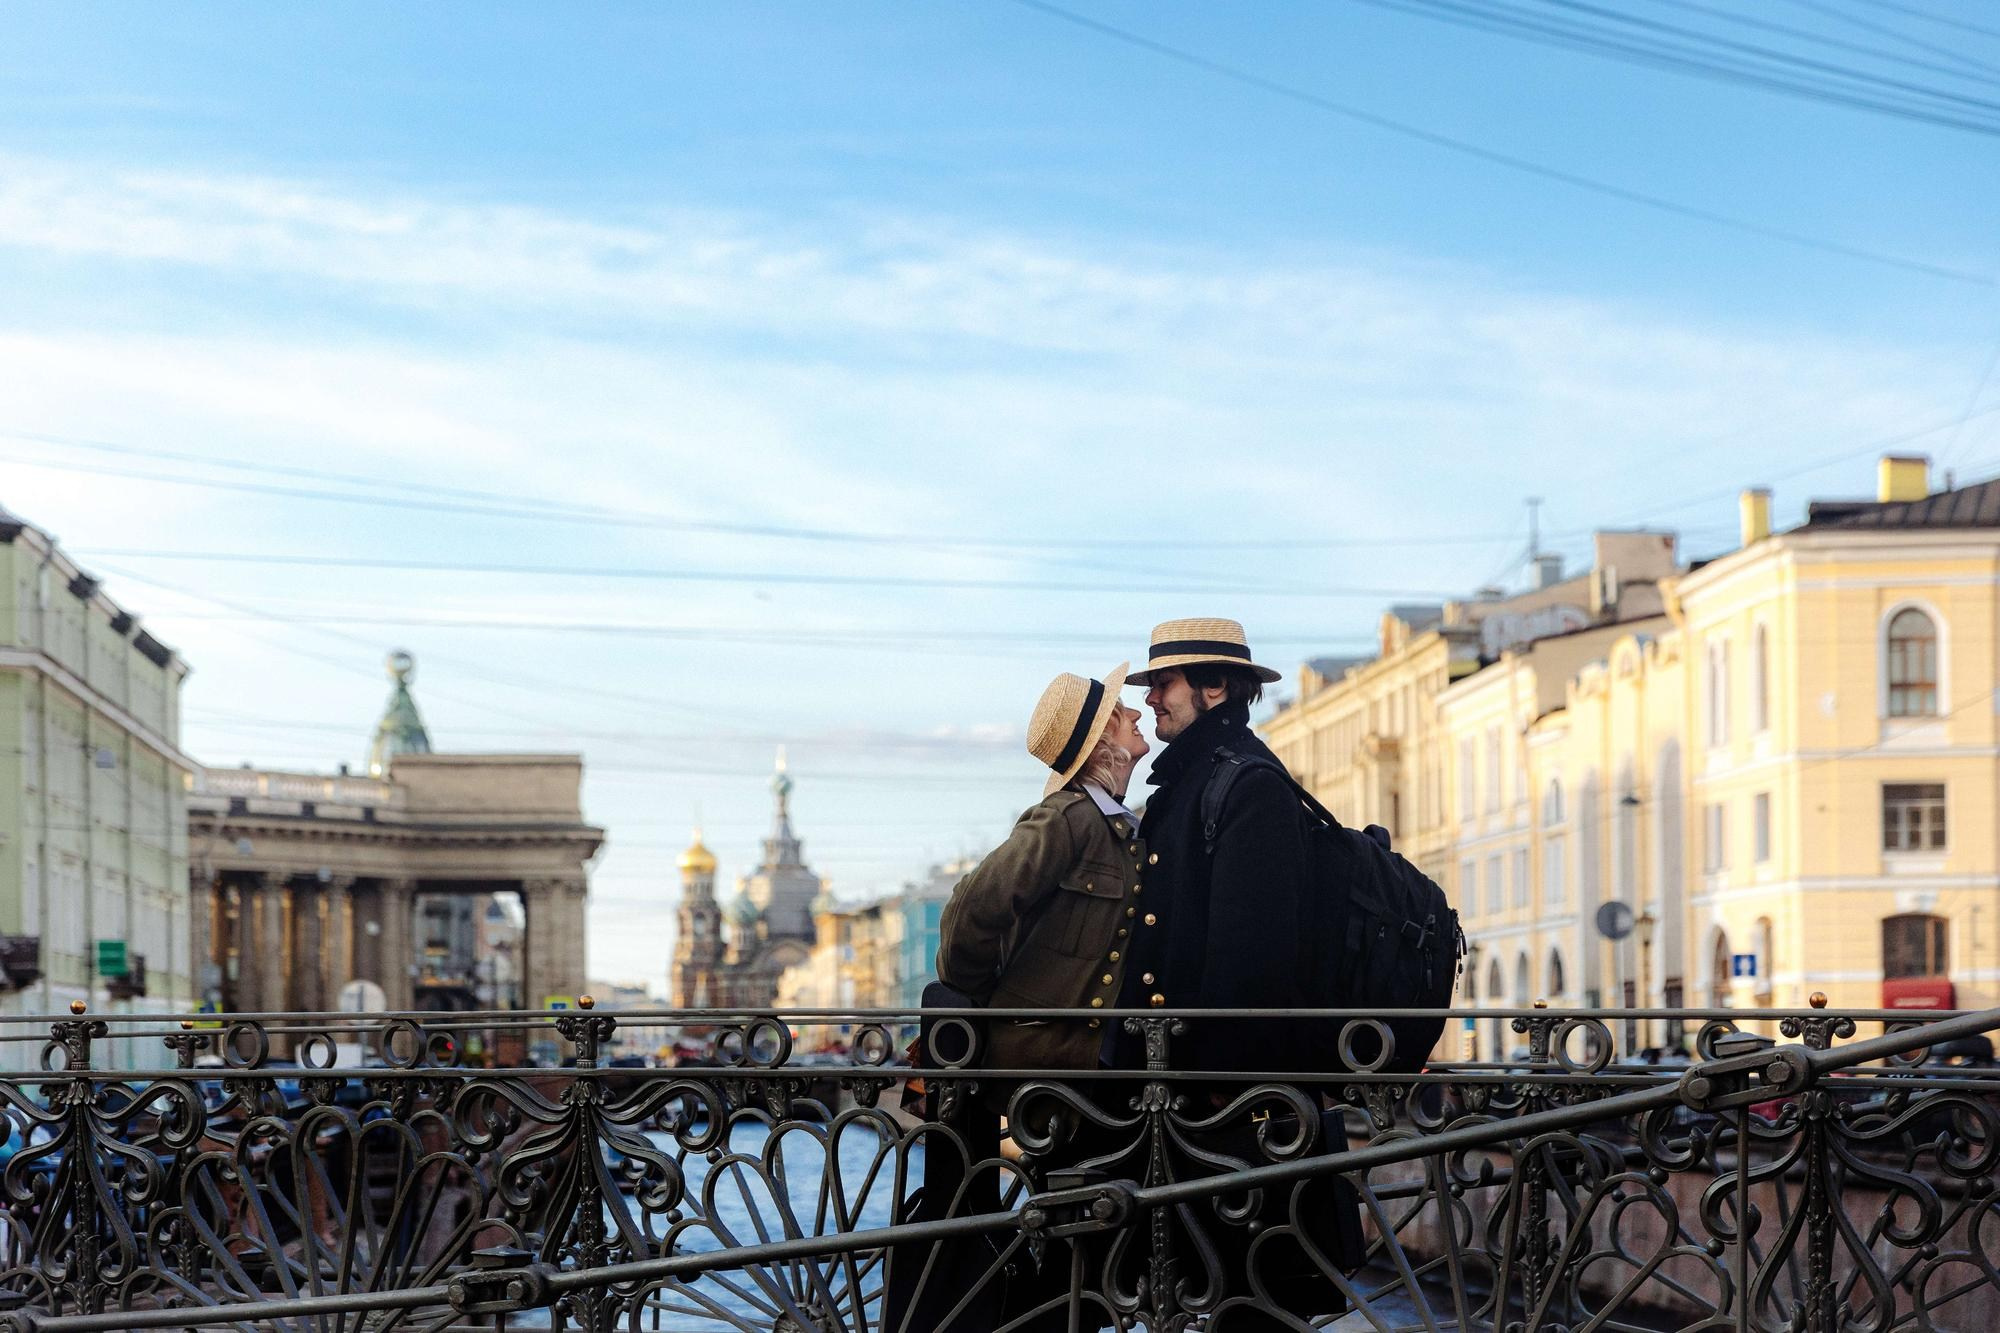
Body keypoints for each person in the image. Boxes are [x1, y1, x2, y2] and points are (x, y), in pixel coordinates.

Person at [887, 664, 1150, 1333]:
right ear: (1102, 745)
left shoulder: (1113, 824)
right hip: (1044, 1055)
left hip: (1078, 1060)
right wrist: (976, 1003)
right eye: (1123, 711)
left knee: (1096, 1211)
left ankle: (1044, 1312)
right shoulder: (1067, 816)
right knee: (1100, 1210)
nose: (1138, 716)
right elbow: (969, 910)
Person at [1119, 617, 1361, 1329]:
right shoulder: (1196, 780)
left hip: (1234, 1120)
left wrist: (1201, 1100)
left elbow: (1248, 969)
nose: (1153, 698)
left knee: (1250, 1306)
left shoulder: (1247, 784)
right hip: (1195, 1117)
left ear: (1216, 686)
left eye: (1165, 682)